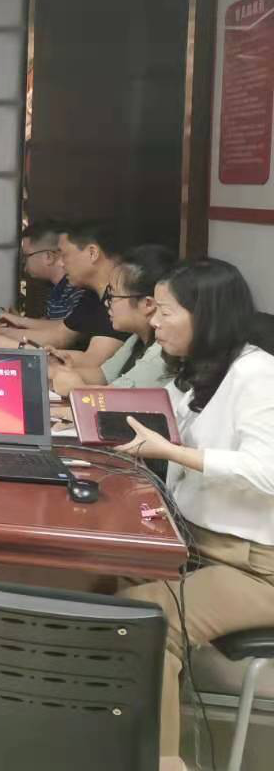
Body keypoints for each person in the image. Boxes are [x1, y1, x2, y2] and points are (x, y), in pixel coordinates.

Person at [117, 258, 274, 762]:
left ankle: (163, 762)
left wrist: (173, 453)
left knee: (147, 621)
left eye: (165, 311)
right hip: (198, 544)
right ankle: (109, 741)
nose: (154, 321)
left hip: (256, 566)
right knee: (101, 580)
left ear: (206, 316)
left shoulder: (257, 374)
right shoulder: (200, 372)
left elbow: (266, 472)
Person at [0, 222, 125, 367]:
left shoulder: (123, 297)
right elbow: (61, 334)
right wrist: (1, 333)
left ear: (92, 253)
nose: (61, 263)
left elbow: (93, 362)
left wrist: (14, 346)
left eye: (65, 255)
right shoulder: (92, 295)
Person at [48, 244, 176, 395]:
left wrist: (76, 388)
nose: (107, 303)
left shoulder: (162, 353)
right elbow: (102, 375)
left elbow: (115, 399)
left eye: (113, 295)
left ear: (147, 304)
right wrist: (58, 369)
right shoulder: (136, 339)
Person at [0, 220, 87, 336]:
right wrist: (19, 324)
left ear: (48, 257)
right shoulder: (58, 289)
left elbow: (66, 329)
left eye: (26, 255)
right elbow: (52, 324)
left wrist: (20, 322)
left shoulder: (78, 290)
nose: (23, 262)